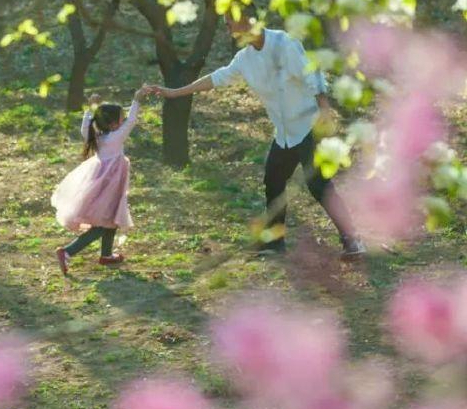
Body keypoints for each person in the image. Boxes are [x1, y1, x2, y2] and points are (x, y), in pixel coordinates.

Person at [143, 17, 366, 259]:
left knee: (318, 185)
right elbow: (218, 78)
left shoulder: (284, 44)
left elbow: (310, 75)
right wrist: (175, 93)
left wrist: (324, 109)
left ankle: (352, 240)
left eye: (230, 23)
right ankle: (274, 242)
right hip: (284, 133)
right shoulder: (245, 59)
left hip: (308, 126)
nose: (228, 29)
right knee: (273, 181)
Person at [52, 93, 145, 274]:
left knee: (112, 218)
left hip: (101, 181)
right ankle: (68, 251)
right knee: (103, 224)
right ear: (113, 124)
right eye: (121, 119)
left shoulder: (97, 137)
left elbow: (85, 128)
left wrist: (90, 107)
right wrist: (137, 99)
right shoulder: (114, 138)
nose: (124, 120)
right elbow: (132, 120)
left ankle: (106, 255)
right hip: (110, 184)